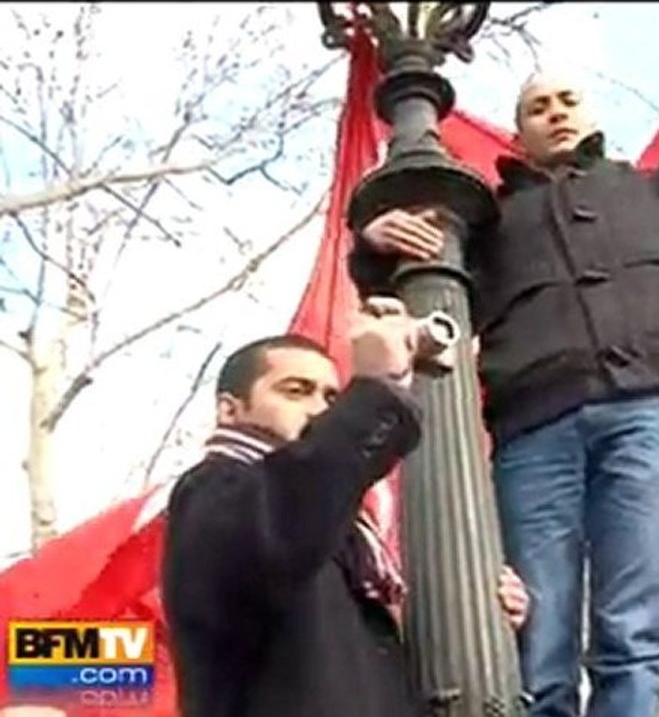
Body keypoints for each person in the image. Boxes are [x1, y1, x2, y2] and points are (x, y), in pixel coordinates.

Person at [347, 8, 659, 717]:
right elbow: (409, 281)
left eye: (566, 101)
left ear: (590, 117)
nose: (554, 113)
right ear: (519, 132)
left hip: (641, 414)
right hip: (532, 436)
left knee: (631, 629)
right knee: (536, 640)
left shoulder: (654, 189)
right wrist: (372, 239)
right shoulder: (485, 223)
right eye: (537, 107)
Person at [161, 297, 529, 717]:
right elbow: (290, 515)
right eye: (295, 391)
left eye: (333, 398)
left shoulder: (350, 541)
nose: (319, 408)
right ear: (230, 410)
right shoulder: (212, 491)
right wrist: (376, 388)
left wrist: (486, 628)